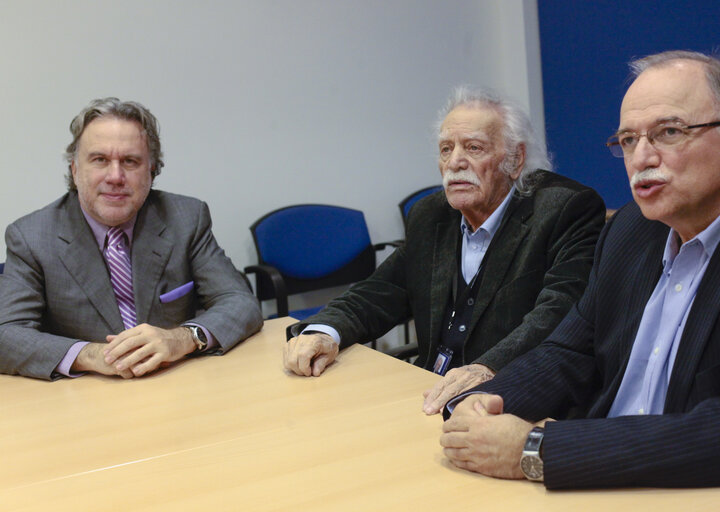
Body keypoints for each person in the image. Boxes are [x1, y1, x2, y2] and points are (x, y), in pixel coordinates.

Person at [440, 51, 720, 497]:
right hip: (602, 480)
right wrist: (485, 401)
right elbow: (570, 351)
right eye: (628, 140)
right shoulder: (633, 228)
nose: (641, 157)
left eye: (668, 132)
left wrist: (536, 449)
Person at [283, 86, 605, 414]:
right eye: (446, 149)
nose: (455, 162)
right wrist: (325, 331)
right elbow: (380, 292)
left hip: (507, 405)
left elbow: (559, 312)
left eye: (474, 148)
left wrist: (489, 368)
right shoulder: (432, 215)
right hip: (428, 396)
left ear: (515, 159)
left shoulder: (566, 209)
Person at [0, 97, 263, 381]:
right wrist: (91, 355)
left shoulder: (186, 218)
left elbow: (240, 302)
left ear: (151, 171)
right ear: (75, 171)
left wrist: (182, 338)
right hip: (86, 395)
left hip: (176, 382)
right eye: (100, 159)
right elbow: (6, 334)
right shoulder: (31, 236)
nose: (115, 176)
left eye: (130, 161)